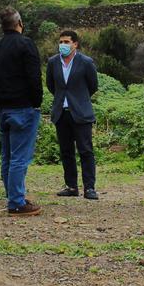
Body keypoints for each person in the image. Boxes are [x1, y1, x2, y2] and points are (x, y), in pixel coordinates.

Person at [0, 8, 44, 216]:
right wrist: (37, 102)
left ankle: (13, 196)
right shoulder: (25, 44)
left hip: (3, 108)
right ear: (19, 22)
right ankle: (17, 202)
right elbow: (34, 77)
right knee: (20, 157)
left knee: (7, 156)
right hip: (24, 108)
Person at [46, 30, 99, 199]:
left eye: (67, 41)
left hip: (81, 113)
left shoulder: (86, 62)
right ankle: (71, 186)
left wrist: (79, 99)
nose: (63, 45)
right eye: (61, 41)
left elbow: (93, 85)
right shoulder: (53, 62)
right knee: (66, 151)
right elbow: (51, 85)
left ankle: (89, 187)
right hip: (61, 113)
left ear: (75, 44)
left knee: (85, 150)